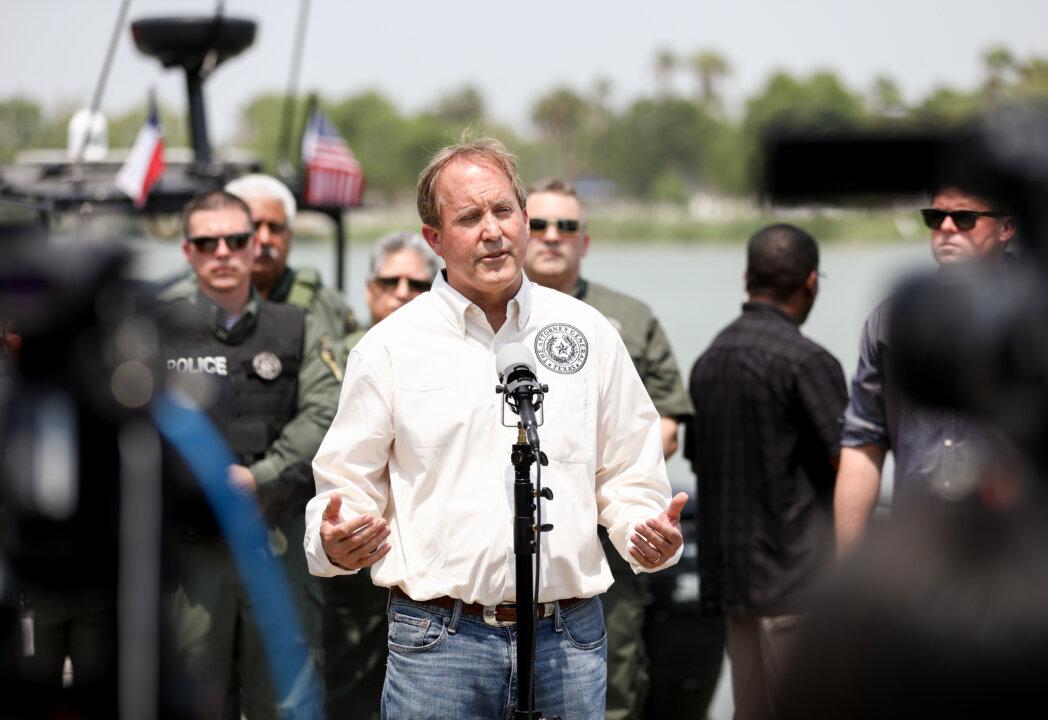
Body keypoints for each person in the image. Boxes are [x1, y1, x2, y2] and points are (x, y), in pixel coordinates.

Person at [304, 138, 687, 719]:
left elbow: (629, 473)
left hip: (570, 639)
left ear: (525, 219)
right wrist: (334, 539)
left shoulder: (588, 333)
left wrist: (644, 531)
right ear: (434, 239)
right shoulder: (388, 348)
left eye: (503, 211)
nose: (492, 231)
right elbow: (345, 486)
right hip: (438, 645)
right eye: (469, 217)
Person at [158, 189, 340, 719]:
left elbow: (325, 414)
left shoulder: (298, 325)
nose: (223, 252)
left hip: (275, 545)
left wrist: (258, 475)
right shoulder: (158, 330)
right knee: (188, 698)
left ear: (254, 243)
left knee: (286, 703)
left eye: (235, 240)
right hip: (191, 555)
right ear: (188, 251)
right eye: (207, 242)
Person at [523, 177, 694, 720]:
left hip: (605, 537)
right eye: (540, 225)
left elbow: (667, 422)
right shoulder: (493, 314)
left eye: (567, 226)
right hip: (508, 539)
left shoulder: (630, 318)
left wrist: (592, 475)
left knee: (611, 682)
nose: (553, 237)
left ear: (585, 241)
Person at [687, 223, 848, 720]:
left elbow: (699, 461)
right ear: (811, 282)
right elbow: (848, 464)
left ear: (746, 278)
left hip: (734, 585)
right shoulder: (808, 362)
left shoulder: (709, 361)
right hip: (799, 583)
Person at [833, 184, 1017, 556]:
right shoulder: (891, 319)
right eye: (935, 218)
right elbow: (863, 443)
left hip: (1019, 549)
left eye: (964, 218)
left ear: (1006, 228)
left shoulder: (1047, 312)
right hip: (920, 547)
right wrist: (848, 565)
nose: (947, 227)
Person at [320, 231, 438, 720]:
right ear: (370, 289)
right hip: (354, 550)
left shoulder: (452, 355)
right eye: (391, 280)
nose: (403, 291)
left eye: (417, 282)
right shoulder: (336, 356)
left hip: (425, 570)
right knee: (347, 686)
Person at [224, 173, 361, 343]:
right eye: (254, 226)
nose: (265, 238)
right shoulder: (191, 302)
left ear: (290, 237)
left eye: (275, 228)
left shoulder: (325, 304)